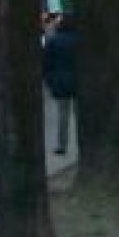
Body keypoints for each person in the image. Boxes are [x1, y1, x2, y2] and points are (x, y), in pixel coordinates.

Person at [42, 13, 78, 156]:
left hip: (60, 82)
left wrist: (49, 81)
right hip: (77, 80)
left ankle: (62, 144)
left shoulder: (53, 41)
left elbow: (46, 64)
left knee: (62, 114)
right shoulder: (78, 40)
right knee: (79, 113)